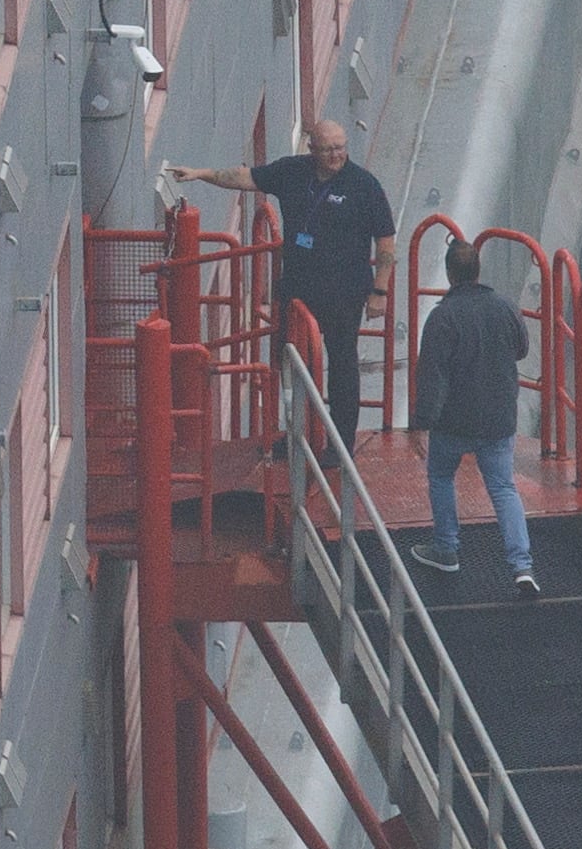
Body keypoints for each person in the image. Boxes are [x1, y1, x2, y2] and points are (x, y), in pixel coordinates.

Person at [171, 120, 395, 451]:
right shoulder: (293, 171)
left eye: (340, 147)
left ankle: (341, 445)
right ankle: (295, 438)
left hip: (344, 292)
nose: (336, 155)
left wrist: (380, 292)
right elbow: (247, 178)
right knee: (290, 363)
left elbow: (386, 242)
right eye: (328, 149)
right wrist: (202, 173)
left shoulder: (364, 185)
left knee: (342, 364)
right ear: (312, 150)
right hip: (299, 287)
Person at [406, 236, 538, 598]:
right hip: (498, 420)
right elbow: (522, 349)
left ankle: (446, 549)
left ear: (450, 274)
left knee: (441, 475)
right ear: (479, 270)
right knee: (503, 487)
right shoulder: (505, 307)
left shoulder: (442, 317)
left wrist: (421, 423)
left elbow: (431, 376)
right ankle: (522, 566)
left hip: (454, 422)